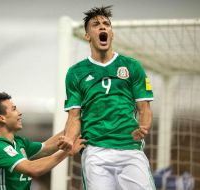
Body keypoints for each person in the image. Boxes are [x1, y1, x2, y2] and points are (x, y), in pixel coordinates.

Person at [59, 5, 156, 190]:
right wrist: (70, 139)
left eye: (106, 24)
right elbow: (74, 116)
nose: (102, 27)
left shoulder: (132, 66)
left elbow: (145, 109)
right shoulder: (76, 73)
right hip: (96, 151)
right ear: (87, 35)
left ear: (111, 33)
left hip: (130, 148)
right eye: (96, 24)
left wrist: (144, 126)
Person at [0, 92, 85, 190]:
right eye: (14, 109)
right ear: (2, 118)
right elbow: (33, 169)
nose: (19, 113)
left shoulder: (19, 142)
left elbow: (47, 148)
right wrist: (66, 152)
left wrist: (78, 120)